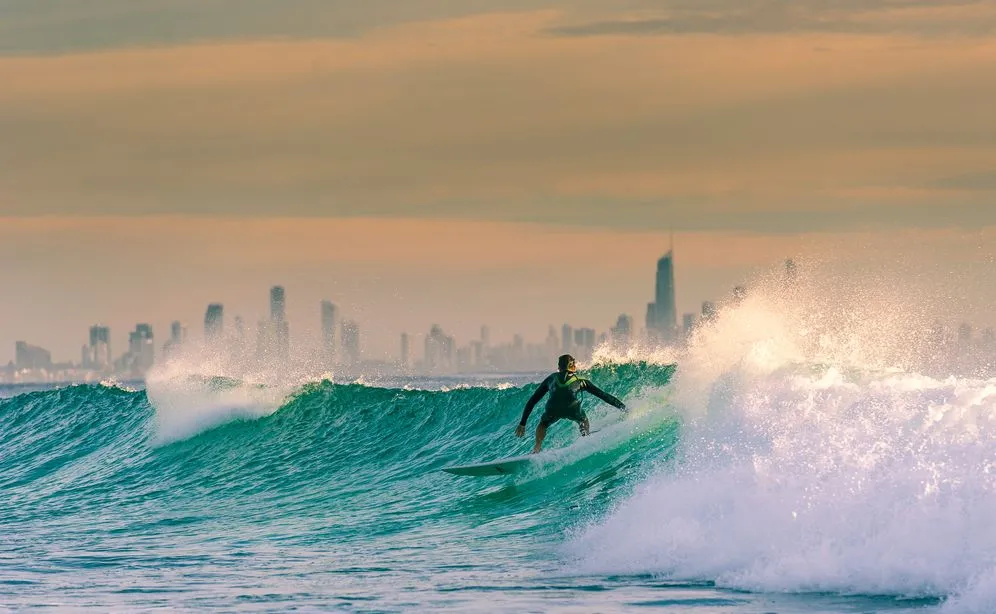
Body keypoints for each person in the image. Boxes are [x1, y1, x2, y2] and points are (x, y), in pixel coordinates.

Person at [514, 354, 627, 454]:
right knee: (583, 420)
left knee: (543, 424)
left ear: (559, 367)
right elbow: (603, 395)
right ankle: (585, 439)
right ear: (572, 366)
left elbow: (533, 400)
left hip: (553, 409)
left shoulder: (551, 378)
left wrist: (522, 423)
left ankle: (537, 448)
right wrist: (623, 408)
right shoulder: (581, 380)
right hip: (573, 410)